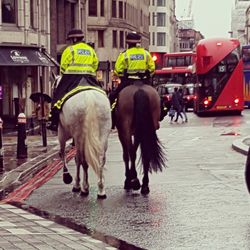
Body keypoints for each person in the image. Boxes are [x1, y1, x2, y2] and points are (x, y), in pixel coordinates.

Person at [47, 28, 99, 131]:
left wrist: (65, 73)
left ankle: (53, 120)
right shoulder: (90, 50)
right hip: (89, 77)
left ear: (74, 39)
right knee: (101, 92)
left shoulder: (69, 50)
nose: (70, 42)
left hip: (72, 77)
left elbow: (63, 66)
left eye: (70, 40)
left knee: (58, 95)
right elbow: (95, 64)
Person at [109, 32, 155, 128]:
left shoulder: (124, 54)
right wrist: (146, 74)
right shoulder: (146, 53)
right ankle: (161, 112)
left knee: (113, 97)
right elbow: (152, 68)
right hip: (144, 81)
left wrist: (123, 75)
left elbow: (118, 70)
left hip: (128, 81)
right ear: (138, 42)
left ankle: (111, 118)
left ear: (128, 43)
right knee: (157, 96)